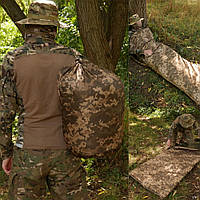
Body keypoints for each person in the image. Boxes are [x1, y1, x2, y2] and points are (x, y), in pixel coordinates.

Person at [0, 0, 88, 199]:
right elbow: (84, 106)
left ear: (29, 26)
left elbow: (4, 113)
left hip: (27, 152)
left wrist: (6, 153)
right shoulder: (73, 57)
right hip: (66, 152)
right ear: (53, 28)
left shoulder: (13, 59)